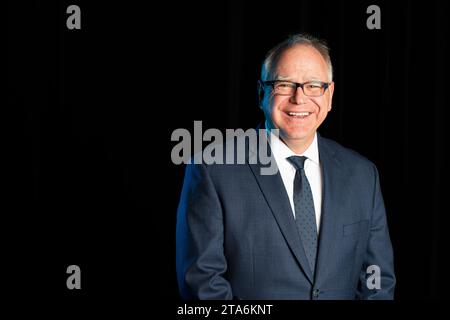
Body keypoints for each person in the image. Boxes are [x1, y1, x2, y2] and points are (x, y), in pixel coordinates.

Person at [176, 33, 395, 300]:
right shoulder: (213, 169)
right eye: (284, 84)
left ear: (329, 95)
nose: (299, 98)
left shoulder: (363, 175)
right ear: (261, 93)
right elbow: (203, 284)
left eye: (314, 85)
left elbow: (377, 281)